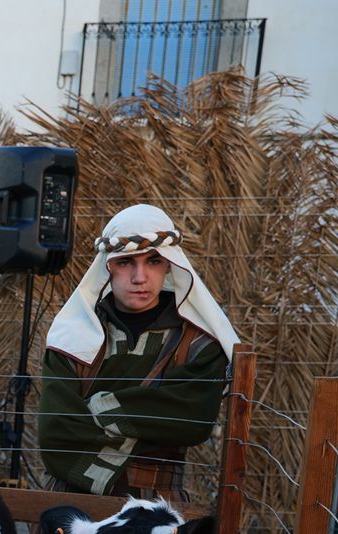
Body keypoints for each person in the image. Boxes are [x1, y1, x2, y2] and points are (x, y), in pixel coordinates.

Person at [37, 202, 238, 500]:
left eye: (154, 261)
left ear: (170, 264)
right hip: (71, 503)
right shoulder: (72, 337)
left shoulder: (199, 343)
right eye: (126, 262)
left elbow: (192, 421)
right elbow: (56, 434)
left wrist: (96, 407)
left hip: (159, 505)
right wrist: (152, 417)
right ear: (108, 266)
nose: (140, 277)